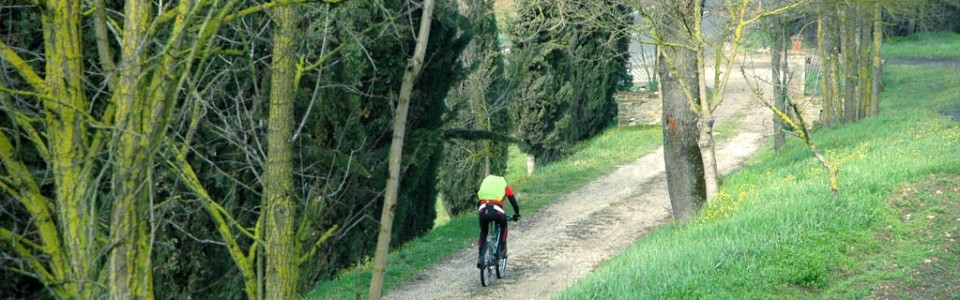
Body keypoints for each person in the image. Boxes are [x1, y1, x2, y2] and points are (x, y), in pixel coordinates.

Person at [476, 174, 520, 269]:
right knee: (504, 224)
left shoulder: (485, 183)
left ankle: (481, 257)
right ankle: (501, 248)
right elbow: (512, 199)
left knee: (484, 231)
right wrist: (517, 213)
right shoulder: (504, 185)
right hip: (496, 210)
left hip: (483, 209)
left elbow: (479, 202)